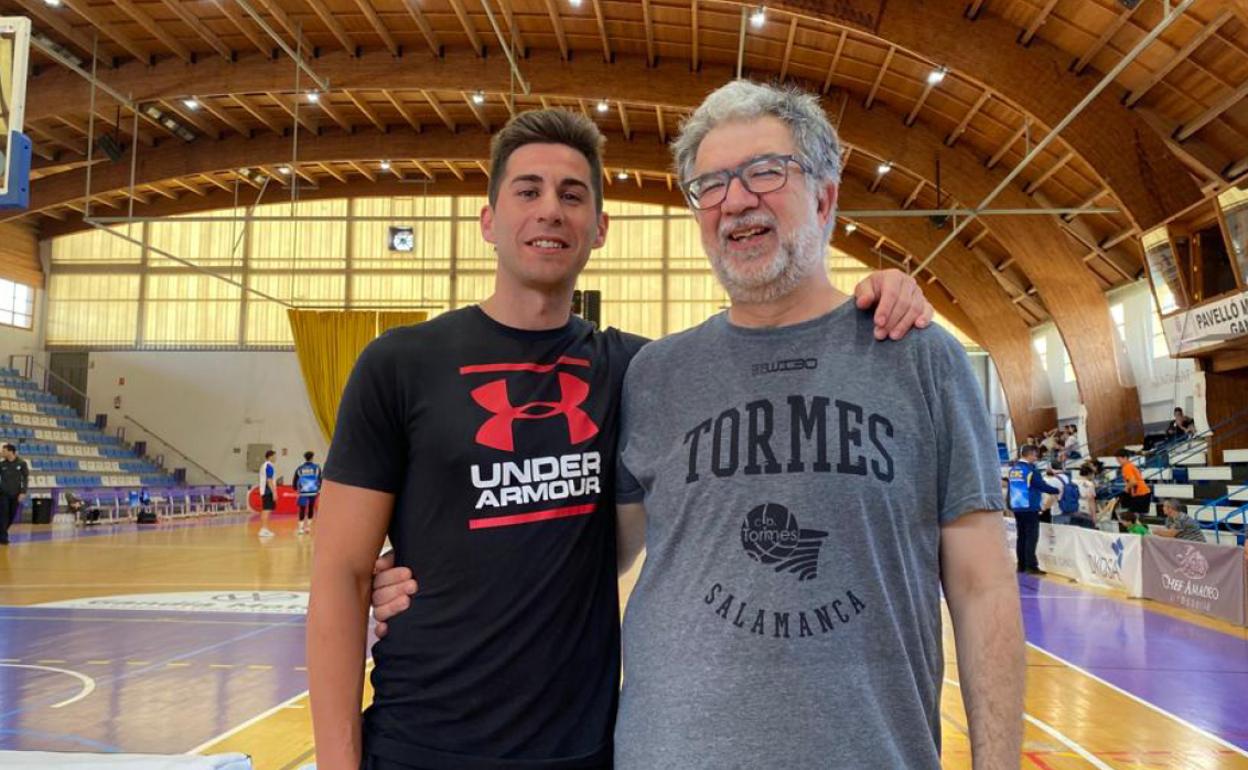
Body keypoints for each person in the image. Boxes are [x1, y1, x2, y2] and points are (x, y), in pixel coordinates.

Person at [309, 105, 935, 770]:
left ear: (600, 228)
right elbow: (341, 575)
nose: (550, 211)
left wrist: (881, 294)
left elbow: (769, 357)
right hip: (420, 744)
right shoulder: (400, 364)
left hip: (585, 749)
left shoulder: (643, 372)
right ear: (489, 221)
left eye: (571, 195)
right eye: (527, 191)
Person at [1008, 444, 1060, 574]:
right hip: (1030, 507)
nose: (1036, 458)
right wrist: (1056, 490)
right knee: (1031, 537)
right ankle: (1031, 566)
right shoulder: (1031, 470)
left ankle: (1021, 565)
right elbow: (1041, 485)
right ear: (1030, 454)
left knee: (1021, 536)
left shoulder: (1014, 469)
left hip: (1017, 506)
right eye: (1035, 455)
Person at [0, 443, 28, 544]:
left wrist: (23, 492)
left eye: (4, 451)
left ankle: (1, 532)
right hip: (3, 494)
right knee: (3, 514)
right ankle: (3, 537)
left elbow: (25, 479)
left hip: (16, 494)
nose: (1, 452)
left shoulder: (22, 463)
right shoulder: (2, 464)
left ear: (10, 452)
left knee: (12, 515)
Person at [1115, 448, 1152, 516]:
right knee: (1138, 516)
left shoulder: (1126, 467)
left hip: (1140, 494)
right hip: (1143, 493)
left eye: (1119, 459)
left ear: (1125, 458)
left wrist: (1126, 488)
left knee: (1133, 516)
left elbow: (1133, 482)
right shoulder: (1131, 465)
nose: (1118, 462)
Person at [292, 451, 322, 536]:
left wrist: (295, 488)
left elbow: (295, 479)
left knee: (302, 509)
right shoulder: (317, 468)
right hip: (313, 491)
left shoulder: (300, 468)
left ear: (305, 458)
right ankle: (308, 527)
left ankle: (301, 529)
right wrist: (319, 488)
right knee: (311, 508)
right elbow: (320, 479)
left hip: (303, 492)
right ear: (312, 458)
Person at [258, 449, 276, 538]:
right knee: (266, 510)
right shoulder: (269, 466)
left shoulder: (264, 465)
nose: (275, 458)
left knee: (266, 510)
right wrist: (274, 492)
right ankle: (263, 529)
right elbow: (269, 480)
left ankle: (264, 529)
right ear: (270, 456)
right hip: (268, 491)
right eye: (274, 456)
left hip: (264, 490)